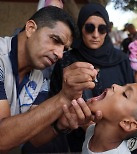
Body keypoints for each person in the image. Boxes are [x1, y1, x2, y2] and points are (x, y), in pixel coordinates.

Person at [0, 6, 102, 153]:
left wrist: (60, 125)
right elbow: (2, 139)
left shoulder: (39, 77)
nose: (60, 54)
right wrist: (64, 97)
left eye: (64, 49)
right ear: (30, 28)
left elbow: (34, 137)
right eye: (55, 40)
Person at [49, 3, 134, 152]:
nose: (96, 34)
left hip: (114, 142)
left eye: (102, 29)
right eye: (89, 28)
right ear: (81, 27)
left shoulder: (121, 60)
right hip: (75, 139)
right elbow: (55, 100)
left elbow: (132, 102)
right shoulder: (66, 60)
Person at [81, 82, 137, 154]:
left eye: (125, 94)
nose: (115, 85)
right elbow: (87, 124)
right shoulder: (93, 131)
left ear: (127, 124)